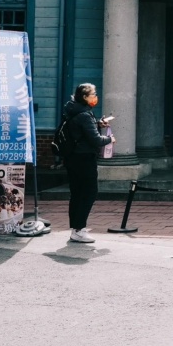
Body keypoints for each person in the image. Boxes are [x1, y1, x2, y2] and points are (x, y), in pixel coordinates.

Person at [61, 83, 114, 243]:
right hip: (84, 158)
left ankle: (76, 229)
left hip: (72, 158)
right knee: (89, 193)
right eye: (93, 94)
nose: (95, 97)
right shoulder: (84, 114)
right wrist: (110, 139)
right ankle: (79, 229)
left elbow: (79, 131)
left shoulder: (72, 110)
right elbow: (96, 140)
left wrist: (97, 124)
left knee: (77, 193)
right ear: (84, 97)